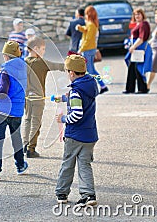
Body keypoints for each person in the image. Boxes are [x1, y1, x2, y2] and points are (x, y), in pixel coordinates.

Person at [54, 54, 99, 207]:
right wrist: (63, 99)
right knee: (84, 164)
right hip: (90, 134)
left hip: (75, 135)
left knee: (68, 163)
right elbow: (82, 101)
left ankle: (62, 192)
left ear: (71, 73)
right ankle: (89, 195)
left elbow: (77, 113)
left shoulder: (75, 91)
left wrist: (63, 119)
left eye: (67, 72)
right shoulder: (89, 85)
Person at [0, 40, 28, 180]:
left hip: (3, 110)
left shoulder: (5, 71)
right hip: (17, 110)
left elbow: (3, 90)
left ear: (6, 56)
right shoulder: (23, 67)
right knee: (16, 137)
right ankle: (20, 165)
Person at [23, 36, 65, 158]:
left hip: (26, 97)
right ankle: (31, 148)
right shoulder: (41, 62)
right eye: (42, 49)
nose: (44, 51)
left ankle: (24, 145)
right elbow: (58, 66)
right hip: (38, 98)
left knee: (27, 120)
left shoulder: (23, 62)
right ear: (35, 48)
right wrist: (72, 65)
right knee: (36, 121)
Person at [77, 6, 108, 94]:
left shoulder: (91, 25)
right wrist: (80, 28)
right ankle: (102, 86)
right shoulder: (91, 24)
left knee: (90, 70)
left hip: (88, 50)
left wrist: (80, 49)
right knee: (91, 70)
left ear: (88, 14)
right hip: (90, 49)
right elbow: (86, 30)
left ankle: (97, 87)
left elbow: (88, 39)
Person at [123, 8, 152, 94]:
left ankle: (142, 88)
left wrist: (133, 47)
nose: (137, 16)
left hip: (140, 48)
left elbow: (141, 38)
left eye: (139, 14)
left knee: (138, 68)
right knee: (132, 68)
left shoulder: (143, 24)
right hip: (136, 49)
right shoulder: (138, 24)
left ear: (142, 15)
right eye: (135, 14)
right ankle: (130, 88)